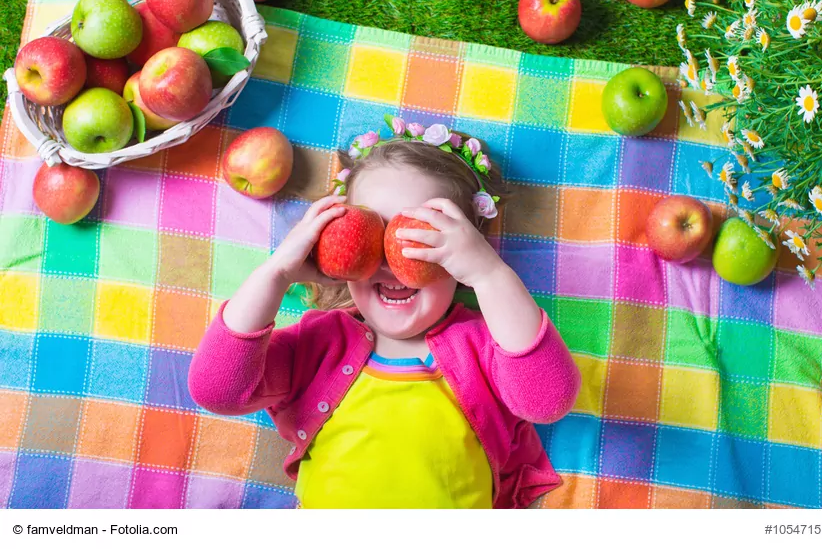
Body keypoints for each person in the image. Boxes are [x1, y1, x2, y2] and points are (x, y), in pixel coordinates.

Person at [188, 118, 581, 508]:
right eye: (373, 235)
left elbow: (547, 401)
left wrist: (489, 274)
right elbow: (217, 392)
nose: (393, 262)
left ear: (466, 251)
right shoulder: (317, 345)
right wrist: (275, 274)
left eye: (420, 238)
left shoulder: (484, 346)